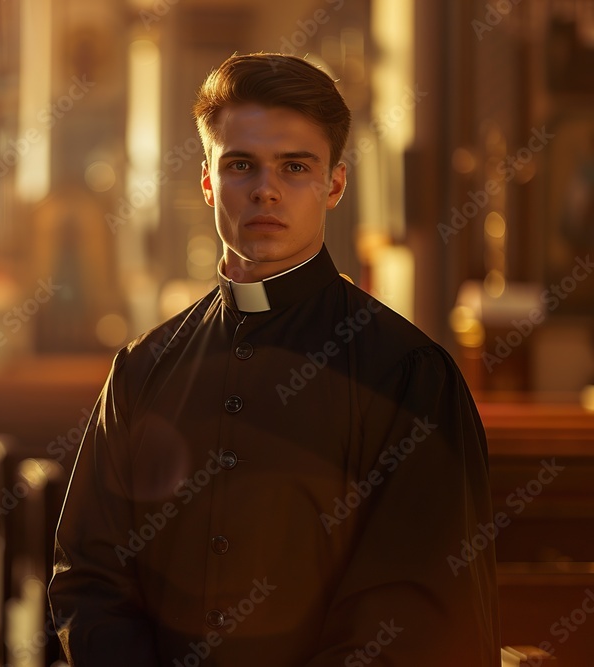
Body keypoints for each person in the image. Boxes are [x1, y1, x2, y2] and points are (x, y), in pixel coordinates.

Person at [47, 52, 501, 666]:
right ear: (206, 179)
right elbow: (91, 573)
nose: (265, 188)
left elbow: (414, 610)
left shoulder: (407, 375)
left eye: (295, 166)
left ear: (334, 183)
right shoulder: (144, 369)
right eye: (241, 165)